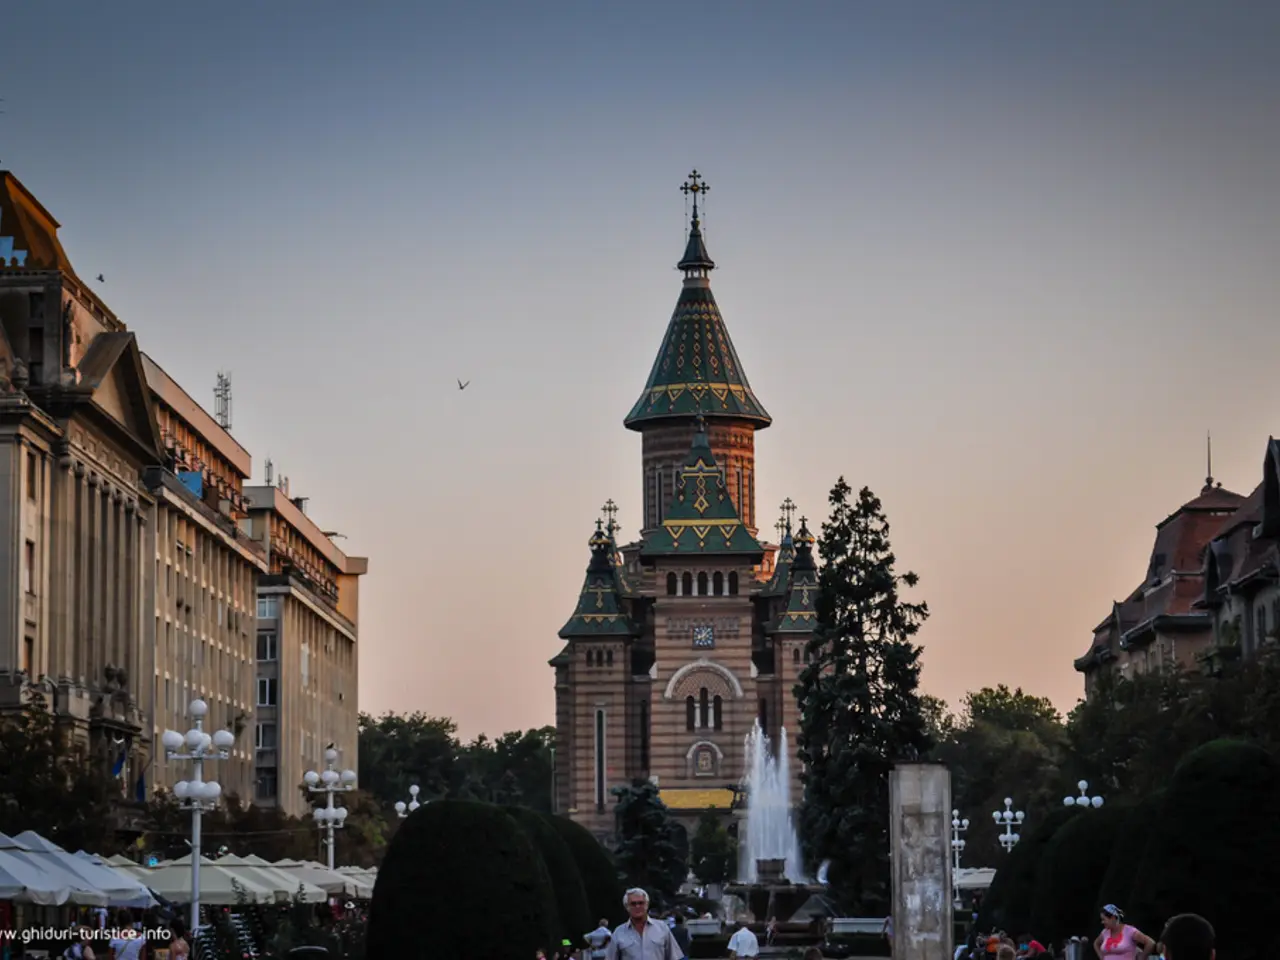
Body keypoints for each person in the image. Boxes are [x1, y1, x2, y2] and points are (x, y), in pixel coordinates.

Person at [606, 888, 680, 960]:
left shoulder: (662, 928)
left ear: (647, 905)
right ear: (626, 907)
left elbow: (674, 957)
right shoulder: (619, 933)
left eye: (641, 903)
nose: (637, 906)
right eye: (633, 904)